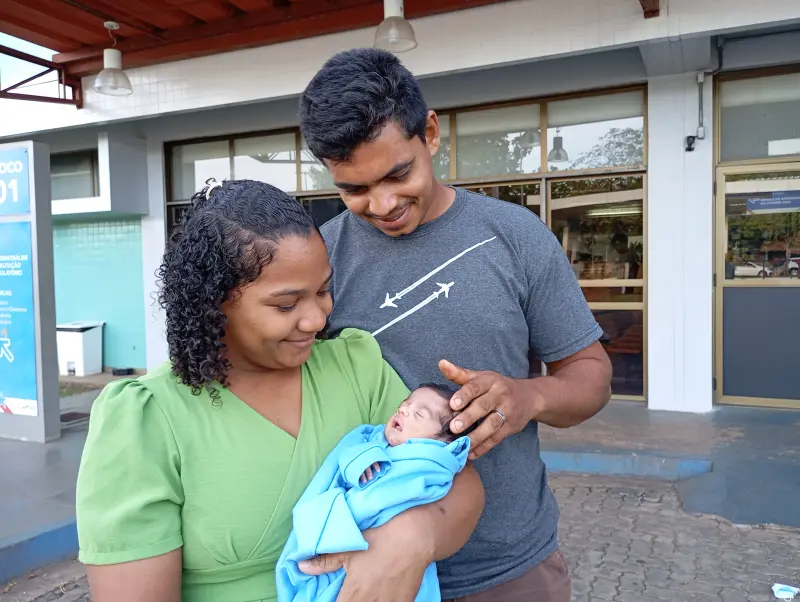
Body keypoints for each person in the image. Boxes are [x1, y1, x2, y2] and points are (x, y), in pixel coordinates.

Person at [299, 48, 613, 602]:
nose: (384, 203)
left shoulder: (513, 235)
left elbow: (591, 374)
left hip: (510, 569)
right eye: (354, 190)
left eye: (399, 173)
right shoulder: (320, 259)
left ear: (432, 134)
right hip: (366, 570)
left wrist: (529, 397)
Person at [74, 179, 484, 602]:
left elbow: (456, 478)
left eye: (323, 290)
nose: (316, 320)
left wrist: (412, 538)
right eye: (286, 305)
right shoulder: (146, 418)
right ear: (213, 304)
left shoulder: (355, 366)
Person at [276, 384, 471, 602]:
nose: (403, 410)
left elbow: (440, 482)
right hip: (349, 532)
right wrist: (361, 462)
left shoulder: (436, 461)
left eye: (418, 414)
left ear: (443, 442)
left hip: (396, 554)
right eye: (404, 405)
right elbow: (343, 462)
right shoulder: (371, 441)